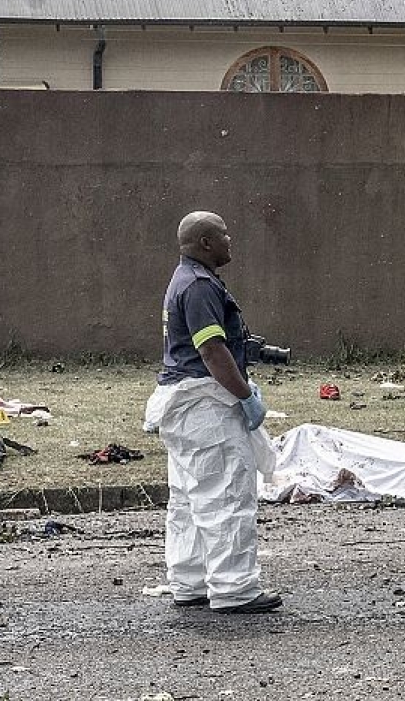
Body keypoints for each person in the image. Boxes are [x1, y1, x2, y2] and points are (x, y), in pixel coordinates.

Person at [154, 210, 282, 615]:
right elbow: (211, 351)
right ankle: (234, 588)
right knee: (226, 494)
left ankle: (189, 581)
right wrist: (245, 395)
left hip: (184, 403)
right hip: (207, 406)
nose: (231, 241)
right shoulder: (199, 286)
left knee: (190, 498)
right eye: (225, 235)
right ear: (206, 243)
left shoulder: (186, 280)